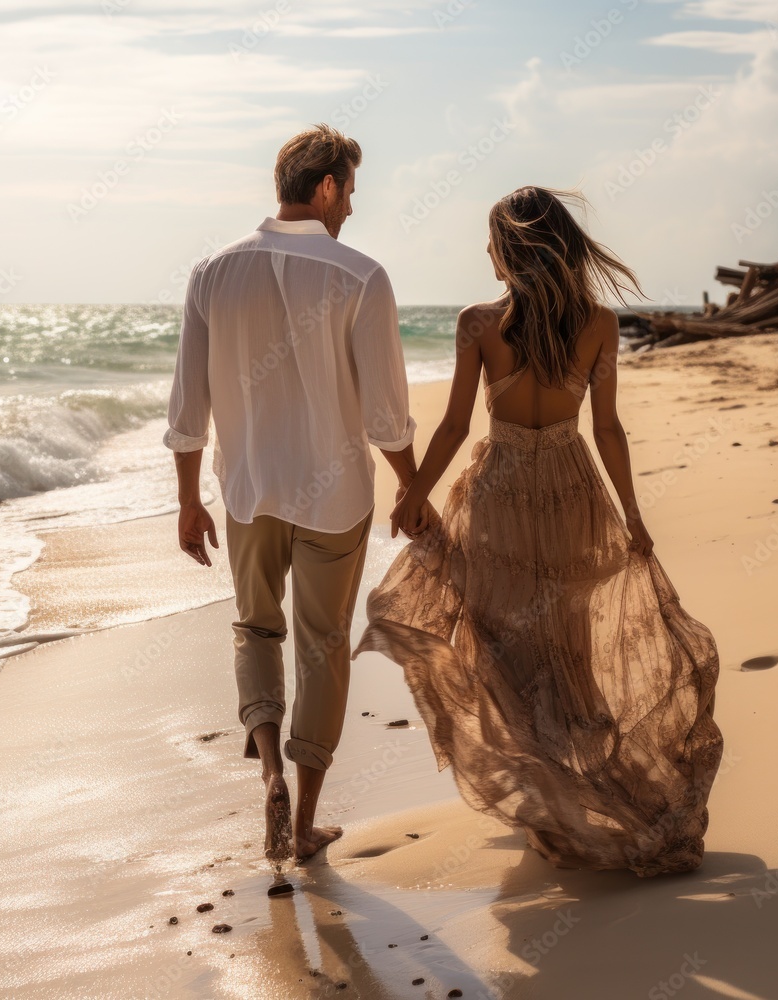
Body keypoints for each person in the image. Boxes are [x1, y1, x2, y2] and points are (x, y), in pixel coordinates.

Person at [353, 185, 724, 877]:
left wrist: (414, 490)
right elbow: (607, 427)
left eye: (492, 242)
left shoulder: (477, 324)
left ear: (511, 253)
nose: (486, 253)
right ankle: (571, 791)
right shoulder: (600, 325)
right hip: (572, 489)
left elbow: (459, 425)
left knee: (503, 646)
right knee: (570, 649)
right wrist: (633, 515)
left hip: (499, 494)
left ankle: (549, 799)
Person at [163, 124, 429, 864]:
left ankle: (271, 773)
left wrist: (188, 501)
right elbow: (384, 415)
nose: (351, 208)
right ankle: (305, 821)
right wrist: (412, 485)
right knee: (322, 647)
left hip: (247, 492)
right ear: (325, 188)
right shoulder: (361, 276)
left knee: (256, 629)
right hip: (334, 494)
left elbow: (187, 408)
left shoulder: (211, 273)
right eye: (349, 191)